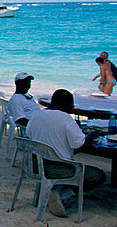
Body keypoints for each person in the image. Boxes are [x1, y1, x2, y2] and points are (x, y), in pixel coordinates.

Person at [24, 89, 107, 218]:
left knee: (71, 162)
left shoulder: (36, 115)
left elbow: (29, 135)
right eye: (71, 106)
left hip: (34, 164)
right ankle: (62, 194)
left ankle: (55, 191)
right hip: (55, 168)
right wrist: (90, 136)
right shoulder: (66, 119)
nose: (72, 108)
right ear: (67, 105)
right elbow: (81, 144)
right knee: (98, 175)